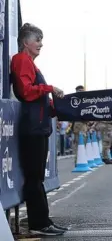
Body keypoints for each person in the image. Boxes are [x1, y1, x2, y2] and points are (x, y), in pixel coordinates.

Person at [10, 23, 68, 236]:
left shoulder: (30, 64)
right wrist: (50, 88)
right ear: (26, 42)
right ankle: (38, 224)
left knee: (37, 178)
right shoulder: (22, 60)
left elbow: (37, 98)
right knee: (34, 178)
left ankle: (43, 220)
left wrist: (57, 108)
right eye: (37, 40)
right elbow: (26, 91)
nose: (41, 44)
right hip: (33, 129)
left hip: (39, 127)